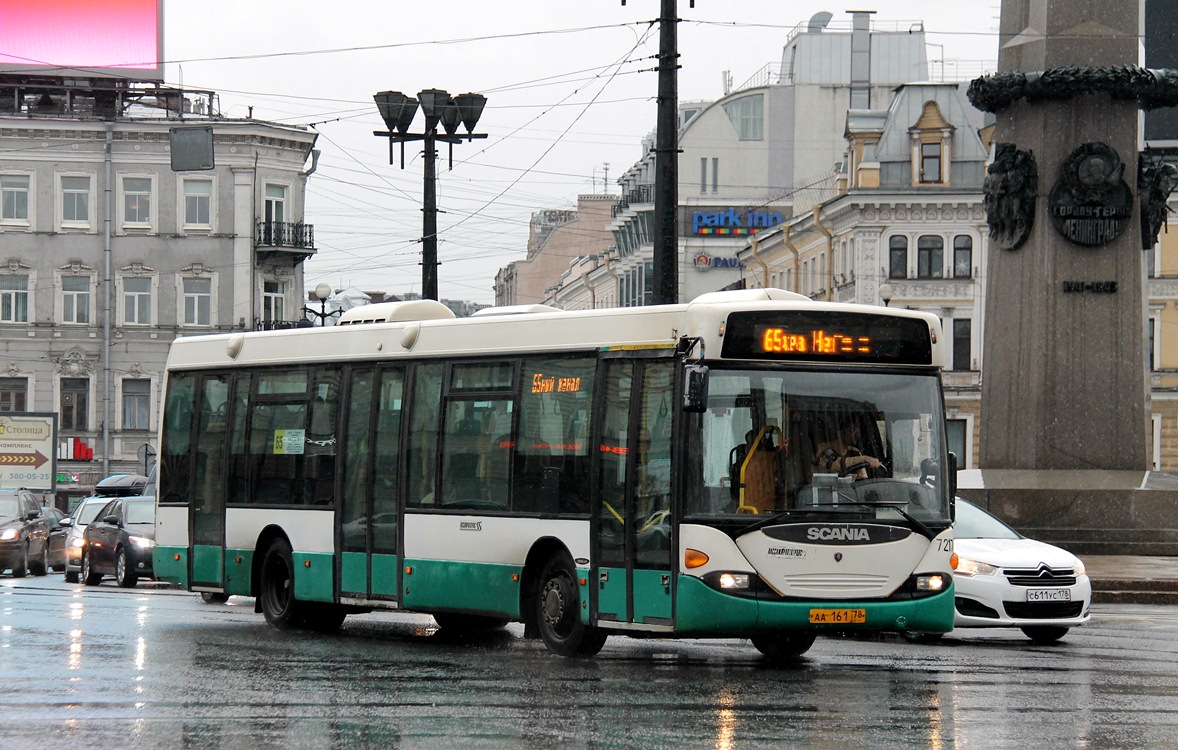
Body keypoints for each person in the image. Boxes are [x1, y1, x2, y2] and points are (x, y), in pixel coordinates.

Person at [815, 417, 883, 480]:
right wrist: (865, 459)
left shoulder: (855, 452)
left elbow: (863, 479)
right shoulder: (822, 448)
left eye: (857, 431)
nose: (857, 435)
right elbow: (834, 464)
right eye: (852, 430)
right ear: (840, 433)